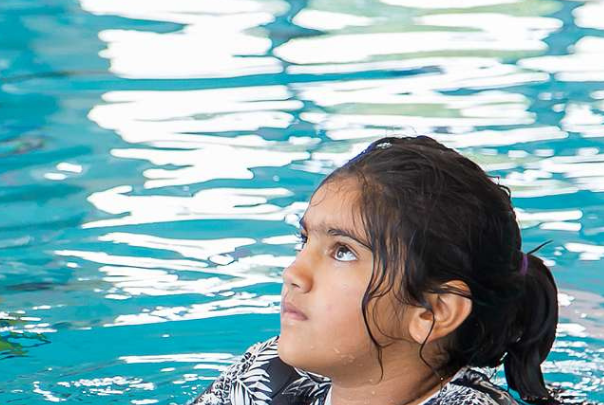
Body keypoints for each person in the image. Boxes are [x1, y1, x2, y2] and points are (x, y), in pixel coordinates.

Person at [191, 136, 563, 405]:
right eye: (305, 241)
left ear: (431, 313)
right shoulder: (268, 377)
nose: (294, 273)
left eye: (343, 252)